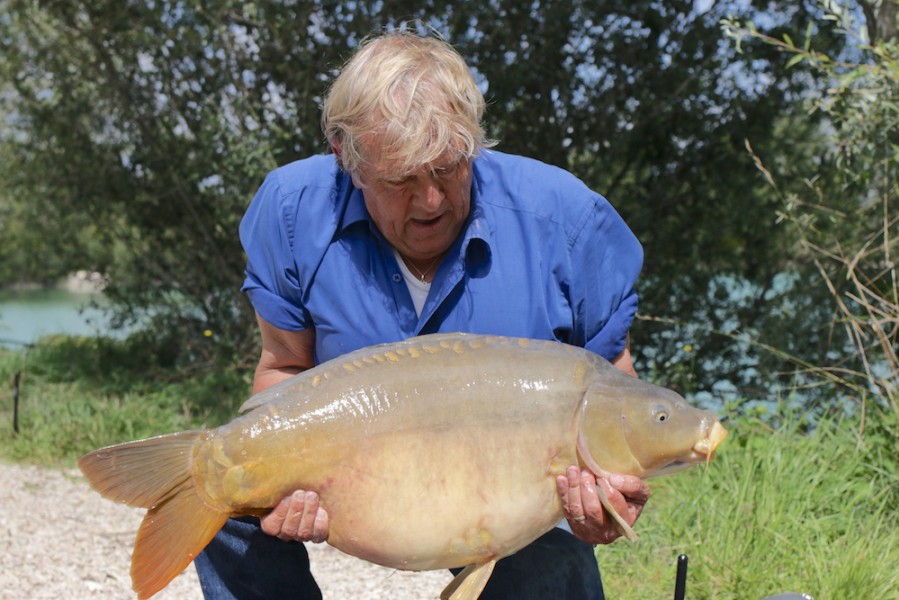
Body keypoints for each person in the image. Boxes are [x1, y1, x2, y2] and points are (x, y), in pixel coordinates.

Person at [195, 30, 651, 600]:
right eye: (401, 180)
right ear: (346, 158)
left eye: (448, 169)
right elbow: (284, 367)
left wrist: (611, 496)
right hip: (363, 481)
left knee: (551, 559)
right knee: (226, 498)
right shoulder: (290, 212)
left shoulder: (568, 224)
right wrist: (289, 488)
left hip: (516, 499)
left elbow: (618, 395)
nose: (431, 201)